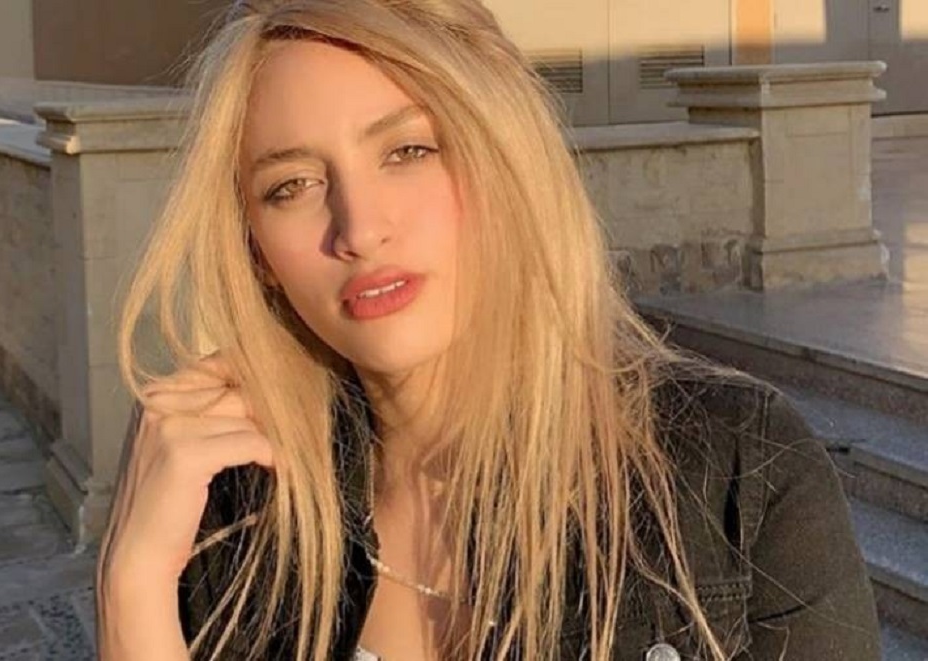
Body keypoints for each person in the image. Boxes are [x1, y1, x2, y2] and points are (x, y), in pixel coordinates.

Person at [96, 1, 882, 659]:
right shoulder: (236, 504)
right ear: (257, 253)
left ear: (506, 159)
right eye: (291, 185)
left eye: (408, 149)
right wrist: (131, 588)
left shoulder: (737, 468)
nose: (359, 228)